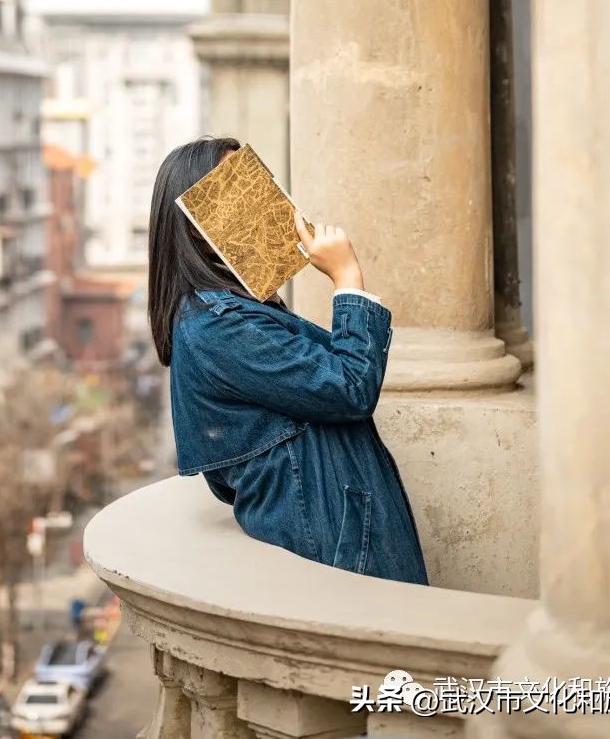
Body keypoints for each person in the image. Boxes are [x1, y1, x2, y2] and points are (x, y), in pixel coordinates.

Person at [148, 136, 428, 584]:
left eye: (261, 183)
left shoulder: (225, 312)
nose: (269, 205)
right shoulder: (219, 327)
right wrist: (347, 278)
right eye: (239, 192)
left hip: (340, 541)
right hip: (335, 555)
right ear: (198, 225)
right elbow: (351, 387)